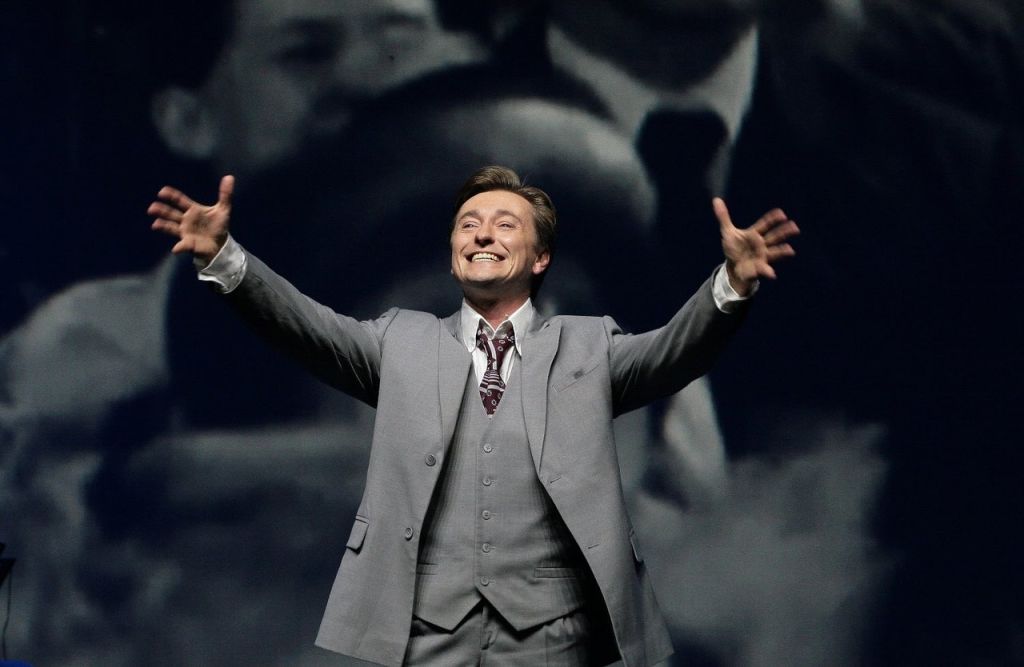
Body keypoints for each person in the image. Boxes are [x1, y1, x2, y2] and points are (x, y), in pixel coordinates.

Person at [147, 165, 798, 666]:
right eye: (469, 224)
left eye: (506, 224)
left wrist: (731, 285)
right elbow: (304, 326)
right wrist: (225, 259)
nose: (484, 233)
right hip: (424, 631)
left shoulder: (590, 346)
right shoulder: (397, 342)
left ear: (539, 258)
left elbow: (676, 350)